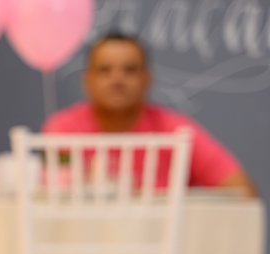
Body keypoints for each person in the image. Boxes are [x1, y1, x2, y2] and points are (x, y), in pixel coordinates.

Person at [43, 31, 258, 196]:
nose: (117, 80)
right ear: (87, 79)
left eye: (130, 70)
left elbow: (243, 192)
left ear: (147, 79)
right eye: (104, 70)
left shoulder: (176, 132)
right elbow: (46, 196)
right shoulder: (62, 130)